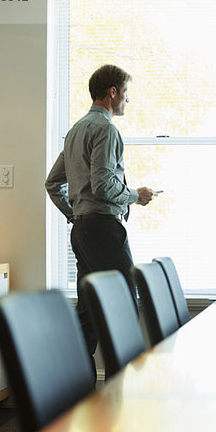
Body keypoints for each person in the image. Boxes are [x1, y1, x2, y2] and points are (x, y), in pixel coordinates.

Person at [45, 64, 154, 377]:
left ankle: (76, 393)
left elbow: (53, 183)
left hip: (82, 230)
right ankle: (125, 388)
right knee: (123, 304)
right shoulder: (105, 129)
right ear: (113, 92)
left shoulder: (76, 130)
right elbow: (104, 185)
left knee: (89, 312)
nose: (127, 102)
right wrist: (136, 195)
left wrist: (75, 215)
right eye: (126, 94)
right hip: (103, 229)